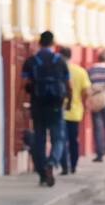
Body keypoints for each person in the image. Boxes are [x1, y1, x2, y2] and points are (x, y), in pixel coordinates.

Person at [21, 30, 70, 186]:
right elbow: (68, 84)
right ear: (53, 43)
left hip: (38, 105)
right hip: (56, 105)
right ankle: (52, 162)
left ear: (39, 42)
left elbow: (23, 85)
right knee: (58, 138)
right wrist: (69, 100)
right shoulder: (60, 60)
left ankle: (42, 172)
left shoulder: (31, 61)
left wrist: (21, 105)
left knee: (39, 139)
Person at [61, 45, 90, 175]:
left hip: (60, 110)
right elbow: (86, 91)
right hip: (75, 111)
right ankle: (73, 165)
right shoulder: (80, 71)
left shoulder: (58, 70)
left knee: (61, 139)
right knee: (73, 140)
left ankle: (64, 166)